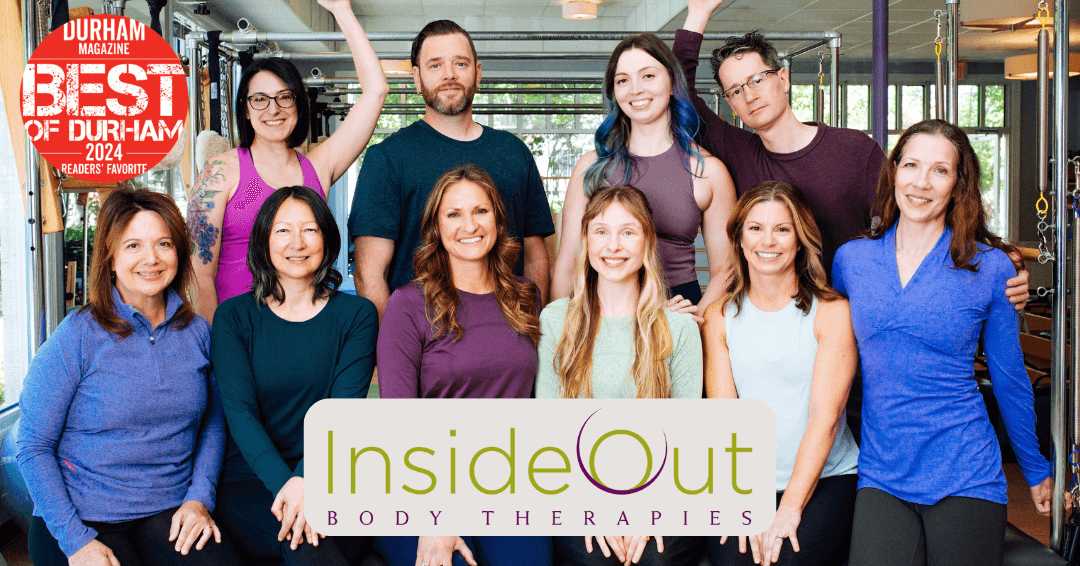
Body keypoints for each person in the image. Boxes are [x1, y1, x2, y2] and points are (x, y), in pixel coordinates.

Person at [672, 0, 1030, 305]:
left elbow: (920, 213)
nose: (749, 95)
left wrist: (997, 255)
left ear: (783, 79)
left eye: (757, 80)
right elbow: (676, 93)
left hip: (849, 312)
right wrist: (698, 13)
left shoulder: (853, 149)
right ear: (731, 104)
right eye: (735, 90)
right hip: (772, 315)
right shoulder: (738, 152)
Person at [832, 120, 1063, 566]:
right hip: (882, 470)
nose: (921, 182)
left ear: (958, 184)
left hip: (965, 467)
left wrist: (1035, 468)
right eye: (912, 165)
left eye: (940, 170)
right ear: (893, 171)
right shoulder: (851, 260)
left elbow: (1009, 377)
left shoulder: (990, 267)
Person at [17, 189, 241, 566]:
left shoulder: (198, 333)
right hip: (81, 516)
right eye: (133, 245)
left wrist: (199, 498)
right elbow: (32, 446)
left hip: (169, 509)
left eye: (164, 244)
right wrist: (75, 541)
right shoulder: (77, 335)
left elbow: (212, 425)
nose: (151, 259)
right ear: (111, 256)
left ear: (179, 253)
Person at [376, 164, 550, 566]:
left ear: (498, 219)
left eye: (480, 211)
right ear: (435, 227)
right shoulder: (408, 305)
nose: (469, 225)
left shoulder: (527, 298)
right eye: (453, 214)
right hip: (420, 480)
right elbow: (398, 424)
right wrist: (435, 514)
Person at [188, 0, 388, 324]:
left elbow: (376, 91)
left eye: (284, 97)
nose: (273, 109)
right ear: (245, 107)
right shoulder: (220, 172)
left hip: (307, 336)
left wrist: (341, 11)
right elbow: (199, 275)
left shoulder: (317, 168)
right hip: (239, 338)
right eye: (260, 99)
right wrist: (220, 348)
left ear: (297, 102)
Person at [211, 187, 378, 565]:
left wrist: (307, 481)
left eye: (310, 230)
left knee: (331, 542)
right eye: (283, 231)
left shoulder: (357, 316)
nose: (297, 243)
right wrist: (290, 486)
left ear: (327, 238)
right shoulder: (234, 317)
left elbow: (341, 412)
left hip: (333, 474)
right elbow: (240, 414)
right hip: (252, 479)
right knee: (308, 546)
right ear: (264, 242)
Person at [537, 185, 703, 566]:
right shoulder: (555, 321)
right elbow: (550, 430)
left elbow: (687, 435)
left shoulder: (678, 327)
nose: (614, 246)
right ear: (585, 241)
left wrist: (648, 511)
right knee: (598, 558)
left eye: (628, 232)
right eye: (601, 232)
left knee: (654, 559)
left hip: (664, 487)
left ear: (647, 242)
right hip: (578, 486)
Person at [349, 20, 555, 317]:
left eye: (460, 63)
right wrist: (394, 351)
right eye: (435, 66)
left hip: (508, 339)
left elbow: (535, 257)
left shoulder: (514, 153)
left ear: (478, 73)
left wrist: (534, 333)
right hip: (424, 346)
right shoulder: (387, 158)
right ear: (417, 79)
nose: (449, 75)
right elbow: (369, 275)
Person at [703, 181, 858, 566]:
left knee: (788, 558)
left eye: (782, 229)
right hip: (743, 481)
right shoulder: (718, 316)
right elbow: (727, 421)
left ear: (800, 238)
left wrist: (788, 508)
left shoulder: (832, 312)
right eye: (755, 228)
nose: (767, 240)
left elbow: (825, 420)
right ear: (739, 238)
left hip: (825, 479)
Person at [550, 33, 735, 313]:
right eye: (623, 80)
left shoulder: (707, 171)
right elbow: (568, 262)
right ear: (614, 92)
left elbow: (726, 270)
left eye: (648, 76)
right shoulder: (591, 168)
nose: (635, 89)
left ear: (672, 83)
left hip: (678, 307)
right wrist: (557, 331)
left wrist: (695, 318)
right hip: (603, 309)